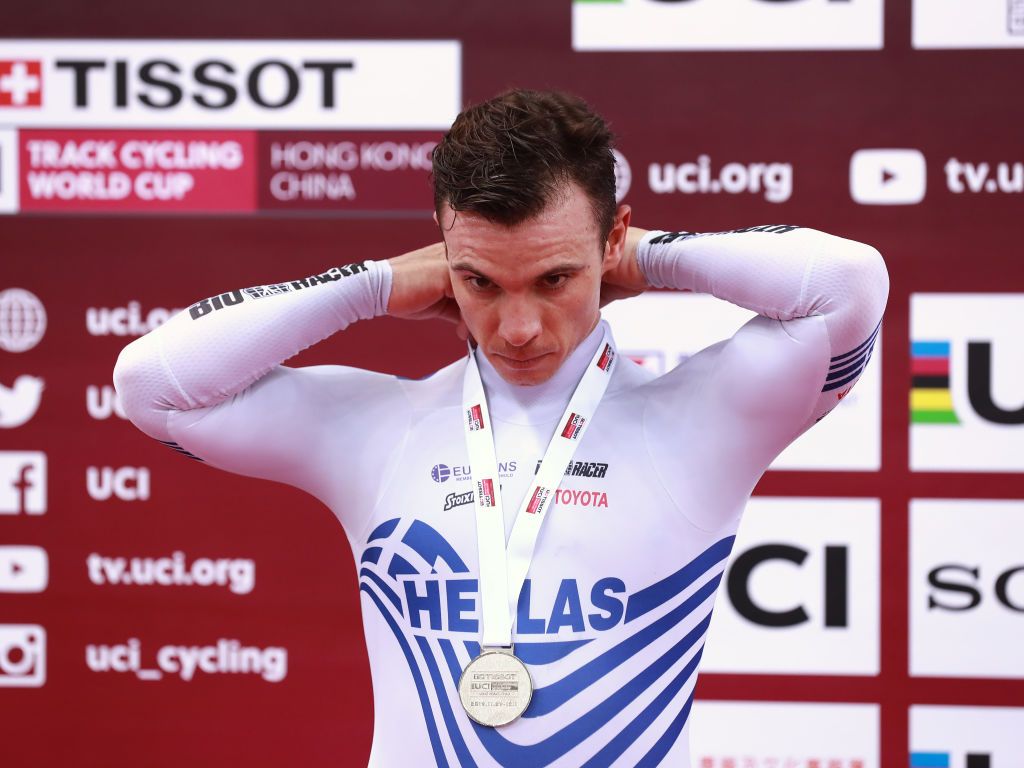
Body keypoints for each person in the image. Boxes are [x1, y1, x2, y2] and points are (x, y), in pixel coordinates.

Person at [114, 89, 889, 767]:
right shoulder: (380, 430)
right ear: (444, 252)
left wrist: (647, 261)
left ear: (611, 239)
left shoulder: (704, 419)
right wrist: (375, 285)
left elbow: (848, 284)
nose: (516, 327)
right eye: (479, 281)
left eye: (554, 278)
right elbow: (155, 385)